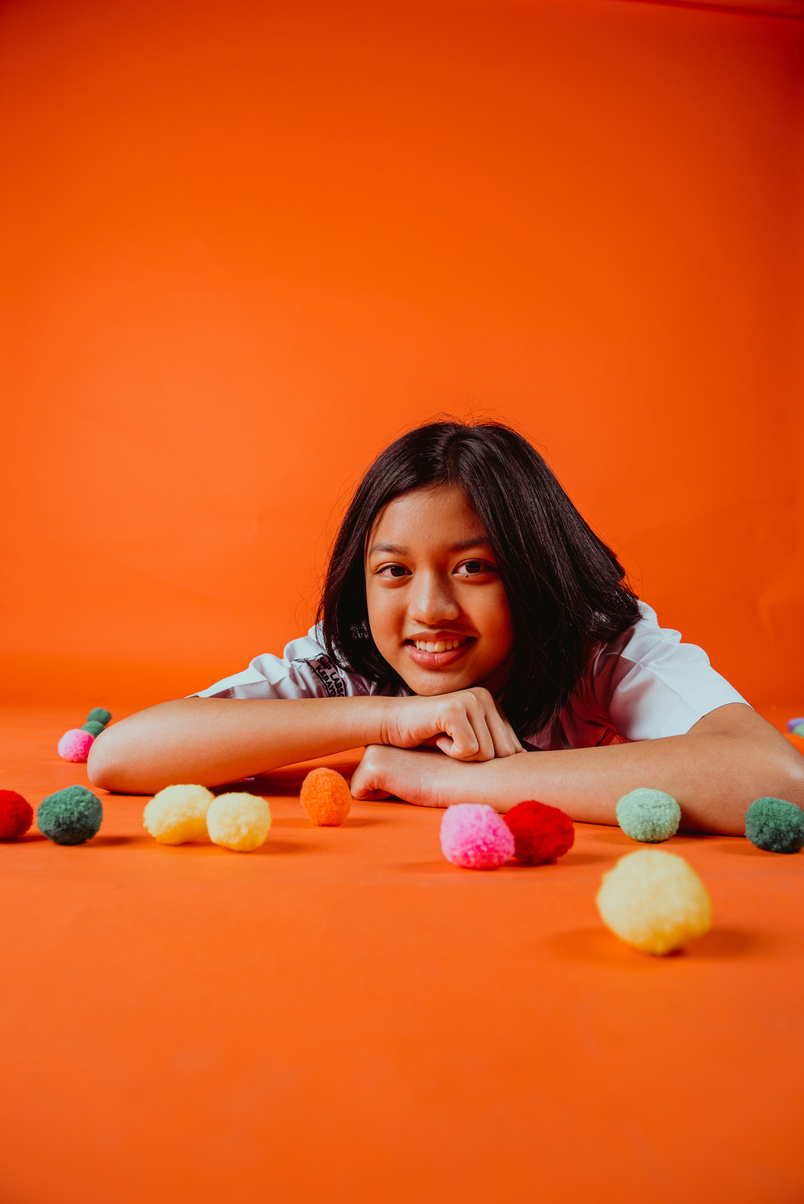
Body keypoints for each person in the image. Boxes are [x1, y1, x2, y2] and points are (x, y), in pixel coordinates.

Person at [88, 420, 803, 833]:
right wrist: (391, 719)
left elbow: (775, 778)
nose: (429, 609)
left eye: (472, 569)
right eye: (394, 573)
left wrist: (448, 783)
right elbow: (121, 755)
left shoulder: (599, 645)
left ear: (532, 570)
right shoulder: (349, 657)